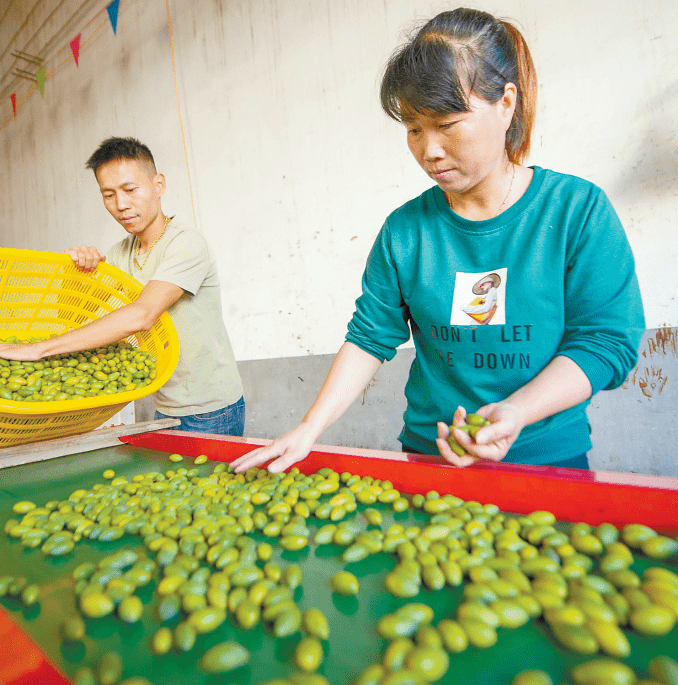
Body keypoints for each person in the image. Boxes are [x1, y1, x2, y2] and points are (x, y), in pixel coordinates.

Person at [232, 8, 643, 472]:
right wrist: (309, 429)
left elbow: (606, 342)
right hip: (430, 457)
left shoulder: (576, 209)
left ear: (506, 103)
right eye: (413, 129)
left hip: (547, 458)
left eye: (446, 124)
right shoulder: (405, 231)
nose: (428, 150)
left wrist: (517, 412)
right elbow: (369, 338)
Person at [0, 137, 245, 435]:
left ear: (158, 185)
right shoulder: (120, 253)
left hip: (212, 408)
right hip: (165, 402)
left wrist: (38, 350)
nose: (121, 204)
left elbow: (142, 315)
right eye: (108, 195)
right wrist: (77, 275)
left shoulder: (186, 243)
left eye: (130, 190)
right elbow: (75, 318)